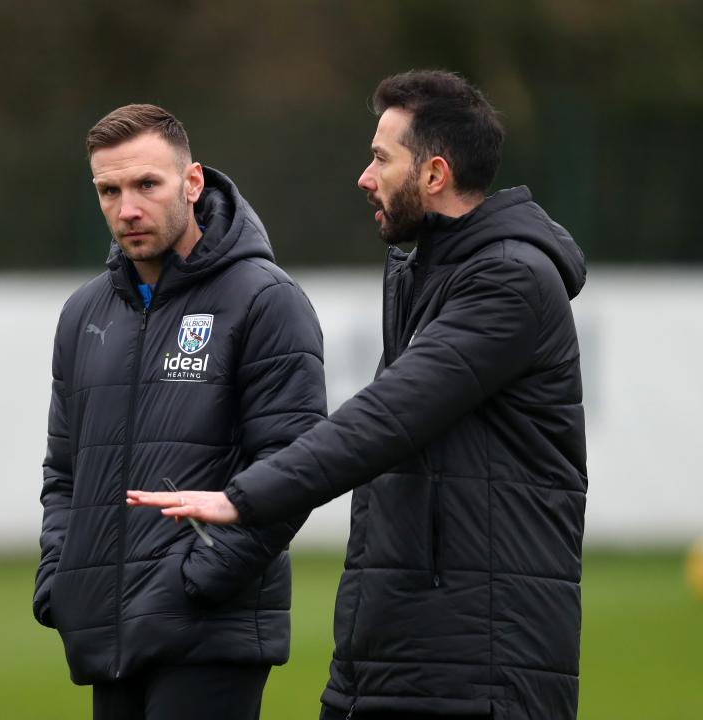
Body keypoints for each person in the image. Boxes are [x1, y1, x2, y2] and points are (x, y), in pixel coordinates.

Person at [128, 71, 588, 720]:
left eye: (380, 158)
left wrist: (245, 496)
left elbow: (386, 419)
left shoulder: (511, 280)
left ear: (433, 174)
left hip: (481, 668)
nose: (364, 177)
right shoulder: (422, 271)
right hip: (395, 656)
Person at [33, 103, 327, 720]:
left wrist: (199, 581)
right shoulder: (84, 314)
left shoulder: (265, 300)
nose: (127, 208)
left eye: (147, 184)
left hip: (208, 633)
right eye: (108, 190)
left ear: (192, 184)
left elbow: (293, 467)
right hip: (105, 631)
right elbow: (65, 472)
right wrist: (60, 577)